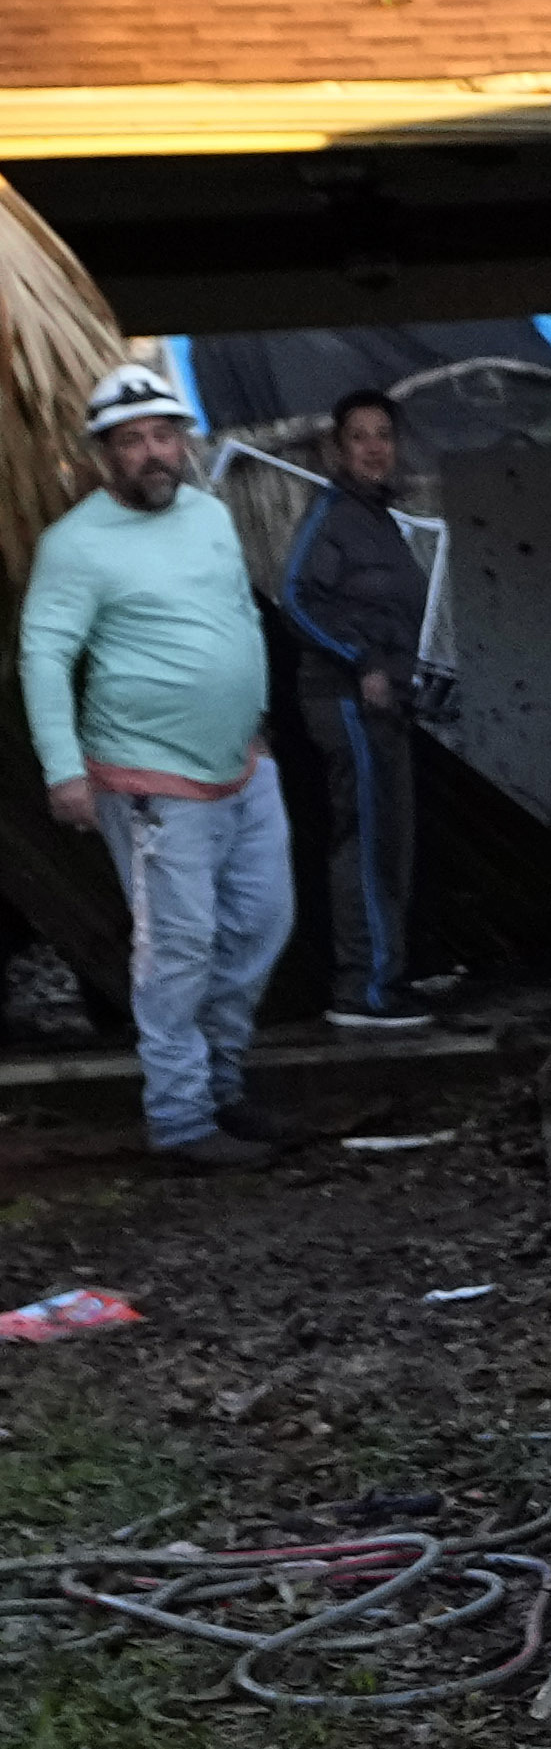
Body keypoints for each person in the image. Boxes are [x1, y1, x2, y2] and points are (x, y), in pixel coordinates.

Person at [21, 362, 292, 1171]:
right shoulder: (74, 545)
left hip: (243, 764)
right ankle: (179, 1121)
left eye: (163, 436)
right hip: (148, 782)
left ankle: (220, 1084)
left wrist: (258, 720)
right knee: (179, 947)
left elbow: (238, 616)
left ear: (184, 441)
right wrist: (64, 770)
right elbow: (42, 655)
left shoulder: (209, 516)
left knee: (261, 926)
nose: (151, 453)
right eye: (131, 441)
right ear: (106, 455)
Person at [280, 387, 446, 1032]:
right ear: (337, 448)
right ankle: (364, 990)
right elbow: (296, 598)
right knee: (369, 842)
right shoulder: (331, 515)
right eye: (360, 437)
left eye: (383, 435)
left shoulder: (378, 518)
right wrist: (364, 661)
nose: (374, 448)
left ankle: (383, 975)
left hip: (386, 706)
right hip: (346, 702)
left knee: (388, 840)